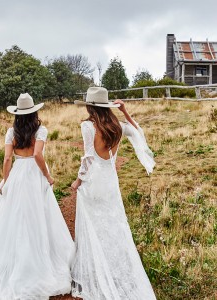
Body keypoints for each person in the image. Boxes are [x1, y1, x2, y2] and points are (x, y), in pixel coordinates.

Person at [0, 93, 75, 300]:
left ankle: (17, 256)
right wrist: (47, 176)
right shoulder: (41, 130)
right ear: (34, 112)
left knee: (15, 215)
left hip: (18, 172)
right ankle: (40, 256)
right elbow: (38, 155)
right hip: (34, 174)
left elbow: (6, 159)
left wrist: (6, 180)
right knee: (38, 214)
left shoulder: (11, 131)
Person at [71, 87, 156, 299]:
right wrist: (125, 112)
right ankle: (114, 265)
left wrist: (78, 180)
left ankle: (99, 268)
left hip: (93, 181)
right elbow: (137, 130)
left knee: (94, 225)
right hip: (110, 180)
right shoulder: (117, 125)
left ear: (90, 106)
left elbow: (89, 158)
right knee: (113, 221)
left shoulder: (88, 126)